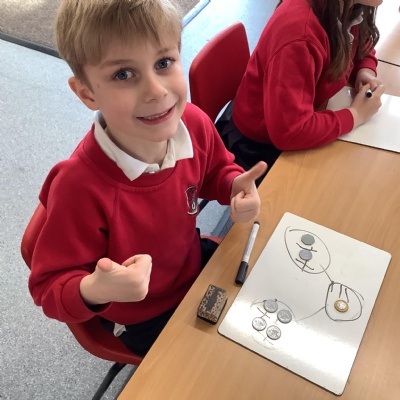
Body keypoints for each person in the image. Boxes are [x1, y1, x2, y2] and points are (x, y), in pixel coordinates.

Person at [28, 0, 267, 357]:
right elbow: (47, 288)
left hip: (191, 265)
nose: (156, 91)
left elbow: (215, 171)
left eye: (163, 63)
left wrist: (234, 186)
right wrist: (96, 288)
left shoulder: (193, 124)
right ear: (87, 93)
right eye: (123, 74)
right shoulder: (78, 186)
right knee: (216, 366)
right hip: (143, 313)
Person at [222, 0, 385, 182]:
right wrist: (356, 115)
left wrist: (365, 70)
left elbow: (360, 40)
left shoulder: (345, 6)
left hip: (292, 122)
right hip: (257, 148)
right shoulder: (300, 34)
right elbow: (290, 132)